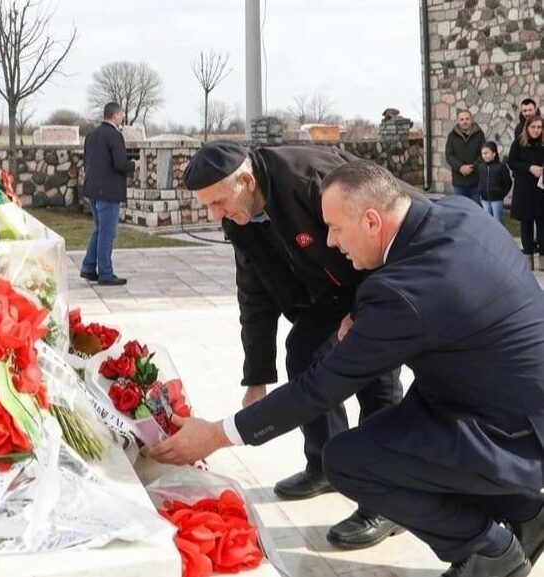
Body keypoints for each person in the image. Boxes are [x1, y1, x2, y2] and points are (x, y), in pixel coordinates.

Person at [149, 160, 544, 577]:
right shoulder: (458, 213)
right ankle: (526, 513)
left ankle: (489, 552)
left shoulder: (403, 293)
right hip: (494, 394)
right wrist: (363, 314)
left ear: (372, 221)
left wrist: (216, 435)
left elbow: (319, 388)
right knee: (394, 436)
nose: (331, 242)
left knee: (348, 460)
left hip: (511, 432)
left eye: (336, 228)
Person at [182, 141, 405, 549]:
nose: (213, 215)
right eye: (207, 205)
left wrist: (367, 309)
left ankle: (388, 501)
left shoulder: (310, 180)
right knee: (302, 351)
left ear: (246, 180)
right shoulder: (239, 214)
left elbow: (381, 236)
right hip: (331, 287)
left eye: (217, 202)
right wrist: (256, 378)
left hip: (375, 272)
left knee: (376, 377)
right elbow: (254, 292)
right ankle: (324, 465)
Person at [80, 102, 138, 286]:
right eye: (122, 114)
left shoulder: (92, 134)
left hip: (92, 189)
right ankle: (105, 273)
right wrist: (134, 165)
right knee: (107, 232)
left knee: (99, 230)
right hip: (108, 192)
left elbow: (86, 161)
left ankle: (89, 267)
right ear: (116, 115)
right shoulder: (114, 135)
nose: (123, 118)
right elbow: (120, 164)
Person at [508, 116, 544, 271]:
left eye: (539, 127)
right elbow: (511, 162)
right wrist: (529, 168)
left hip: (541, 191)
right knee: (526, 225)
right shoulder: (519, 143)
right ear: (527, 128)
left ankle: (542, 259)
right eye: (533, 127)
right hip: (524, 190)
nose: (536, 130)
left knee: (542, 225)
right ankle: (528, 259)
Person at [445, 109, 485, 204]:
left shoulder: (479, 134)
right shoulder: (452, 136)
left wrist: (472, 167)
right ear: (458, 121)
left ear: (471, 120)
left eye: (467, 119)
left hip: (475, 180)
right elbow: (449, 155)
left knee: (475, 209)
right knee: (460, 208)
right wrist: (460, 167)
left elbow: (483, 154)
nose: (465, 121)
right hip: (459, 181)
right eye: (462, 119)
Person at [477, 141, 512, 225]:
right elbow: (479, 180)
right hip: (484, 199)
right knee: (487, 221)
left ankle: (500, 234)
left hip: (497, 199)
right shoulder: (481, 167)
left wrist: (501, 194)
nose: (484, 155)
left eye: (487, 153)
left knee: (497, 221)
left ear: (494, 154)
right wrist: (481, 191)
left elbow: (508, 182)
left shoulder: (501, 167)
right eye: (483, 153)